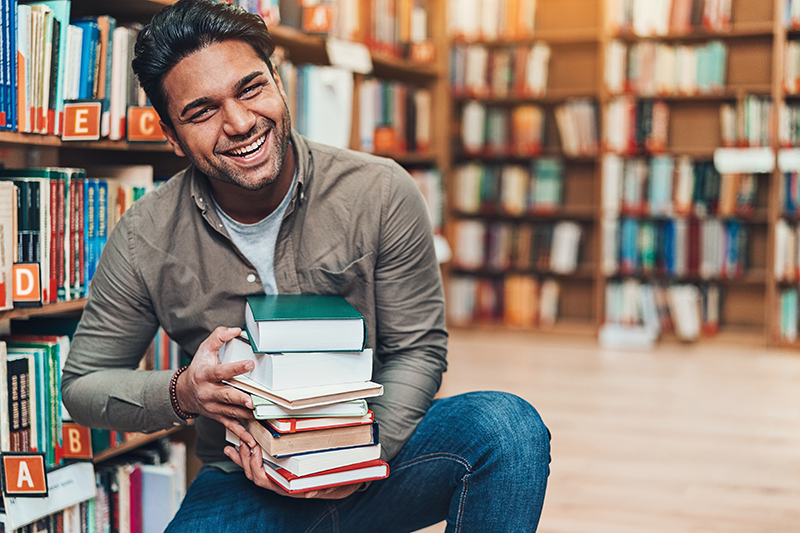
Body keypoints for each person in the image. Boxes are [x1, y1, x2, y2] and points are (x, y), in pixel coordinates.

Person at [60, 0, 550, 531]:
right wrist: (184, 392)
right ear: (172, 137)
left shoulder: (381, 191)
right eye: (202, 112)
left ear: (279, 82)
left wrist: (355, 454)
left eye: (251, 89)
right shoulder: (143, 235)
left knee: (507, 428)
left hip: (378, 450)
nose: (240, 122)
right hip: (244, 477)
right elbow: (83, 385)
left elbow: (418, 348)